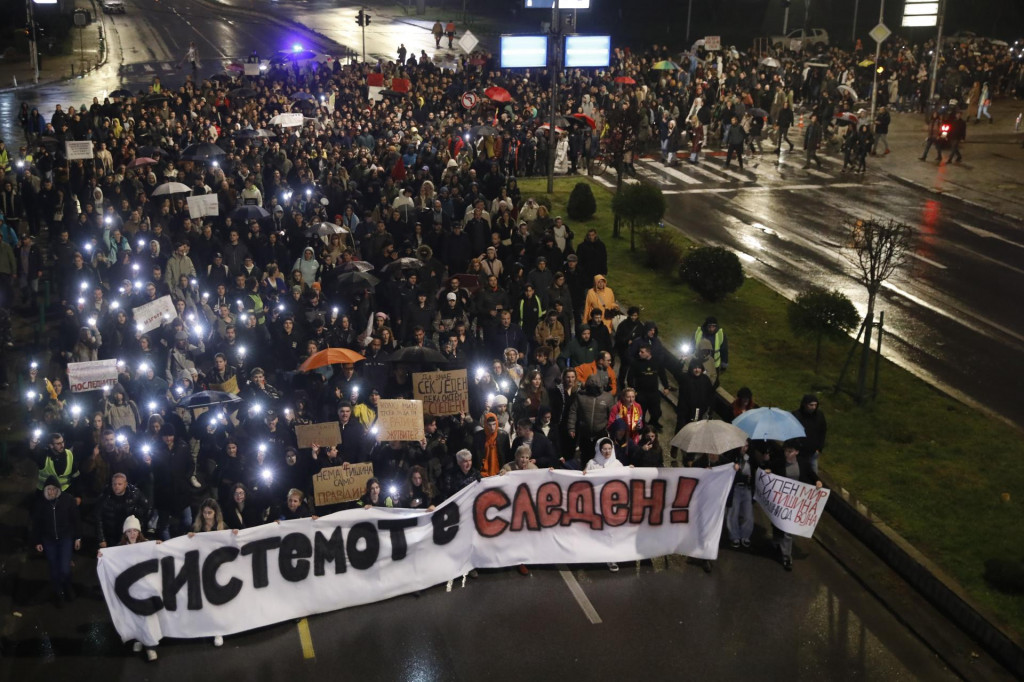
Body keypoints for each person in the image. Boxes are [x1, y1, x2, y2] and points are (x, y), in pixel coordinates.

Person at [766, 441, 823, 571]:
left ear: (796, 452)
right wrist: (768, 470)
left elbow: (812, 475)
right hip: (780, 500)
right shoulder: (779, 462)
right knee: (777, 523)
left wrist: (818, 482)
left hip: (794, 502)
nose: (787, 454)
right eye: (786, 451)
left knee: (788, 529)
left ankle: (786, 556)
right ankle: (776, 541)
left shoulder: (803, 463)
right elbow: (769, 467)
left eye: (790, 451)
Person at [31, 476, 82, 607]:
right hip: (49, 540)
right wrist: (37, 541)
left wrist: (78, 537)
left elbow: (76, 519)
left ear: (58, 489)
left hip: (65, 539)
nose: (51, 492)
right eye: (49, 489)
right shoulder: (40, 503)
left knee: (64, 568)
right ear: (45, 490)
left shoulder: (67, 500)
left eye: (54, 489)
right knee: (54, 568)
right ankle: (58, 591)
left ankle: (67, 585)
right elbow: (36, 524)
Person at [584, 437, 626, 572]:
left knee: (611, 532)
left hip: (612, 504)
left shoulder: (617, 464)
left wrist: (630, 470)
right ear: (599, 449)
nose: (607, 451)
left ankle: (611, 558)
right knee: (595, 529)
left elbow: (625, 478)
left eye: (609, 449)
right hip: (596, 502)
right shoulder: (592, 463)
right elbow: (583, 479)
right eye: (604, 449)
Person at [792, 394, 827, 474]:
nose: (813, 407)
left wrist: (819, 448)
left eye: (815, 405)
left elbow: (823, 431)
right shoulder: (796, 415)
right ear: (805, 404)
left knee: (813, 475)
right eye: (811, 405)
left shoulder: (819, 416)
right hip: (798, 452)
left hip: (813, 452)